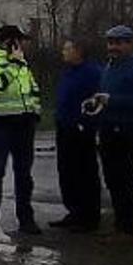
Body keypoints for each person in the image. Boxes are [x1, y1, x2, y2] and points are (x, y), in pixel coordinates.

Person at [84, 25, 133, 240]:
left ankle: (129, 229)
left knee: (124, 179)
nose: (113, 47)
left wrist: (113, 100)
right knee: (112, 179)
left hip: (127, 130)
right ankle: (119, 225)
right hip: (107, 129)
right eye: (110, 42)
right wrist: (97, 101)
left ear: (130, 44)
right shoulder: (109, 67)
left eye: (118, 43)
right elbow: (106, 95)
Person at [0, 25, 43, 235]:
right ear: (9, 42)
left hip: (23, 122)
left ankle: (26, 218)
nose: (22, 45)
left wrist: (35, 111)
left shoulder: (21, 62)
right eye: (18, 40)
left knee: (24, 174)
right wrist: (15, 63)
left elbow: (31, 88)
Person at [51, 40, 103, 232]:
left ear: (78, 51)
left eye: (67, 49)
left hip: (81, 129)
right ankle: (73, 211)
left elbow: (98, 101)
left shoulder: (92, 73)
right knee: (67, 171)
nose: (63, 52)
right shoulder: (68, 72)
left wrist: (86, 123)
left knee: (85, 172)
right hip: (64, 126)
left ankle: (88, 217)